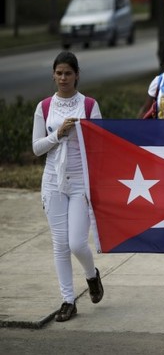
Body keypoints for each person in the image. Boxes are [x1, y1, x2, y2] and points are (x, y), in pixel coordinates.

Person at [32, 51, 104, 322]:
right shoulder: (45, 106)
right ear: (53, 74)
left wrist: (82, 132)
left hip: (80, 183)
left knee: (76, 243)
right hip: (53, 182)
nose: (63, 78)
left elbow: (100, 146)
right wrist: (58, 134)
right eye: (59, 73)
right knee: (60, 245)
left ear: (77, 75)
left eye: (68, 73)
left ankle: (91, 275)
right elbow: (37, 147)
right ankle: (67, 300)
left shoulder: (88, 105)